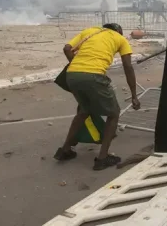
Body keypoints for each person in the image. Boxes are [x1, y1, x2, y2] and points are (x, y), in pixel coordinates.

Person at [54, 23, 141, 170]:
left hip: (72, 75)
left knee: (84, 111)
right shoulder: (120, 39)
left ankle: (65, 150)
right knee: (113, 114)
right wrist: (134, 95)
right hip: (94, 76)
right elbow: (128, 66)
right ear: (119, 32)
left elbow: (67, 49)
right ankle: (102, 158)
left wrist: (77, 66)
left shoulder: (90, 31)